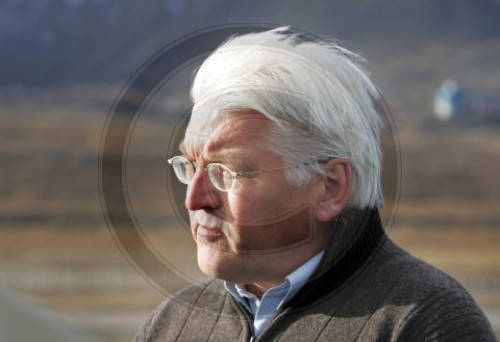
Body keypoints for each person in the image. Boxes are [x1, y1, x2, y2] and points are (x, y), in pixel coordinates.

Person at [134, 27, 496, 341]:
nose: (194, 200)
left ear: (329, 187)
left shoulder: (426, 325)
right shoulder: (172, 324)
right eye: (190, 166)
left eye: (225, 173)